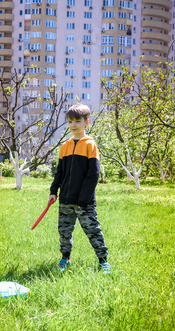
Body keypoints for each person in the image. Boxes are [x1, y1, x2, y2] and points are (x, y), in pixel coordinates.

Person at [49, 103, 111, 273]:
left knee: (93, 230)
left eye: (77, 121)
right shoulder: (65, 146)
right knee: (64, 232)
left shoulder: (90, 145)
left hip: (84, 202)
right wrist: (54, 192)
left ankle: (103, 261)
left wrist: (83, 200)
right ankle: (65, 258)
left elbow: (93, 175)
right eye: (70, 121)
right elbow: (59, 173)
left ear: (86, 122)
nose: (73, 125)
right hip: (65, 200)